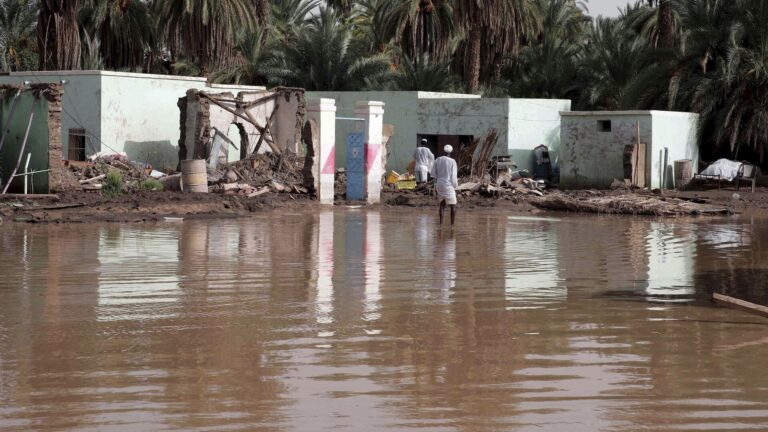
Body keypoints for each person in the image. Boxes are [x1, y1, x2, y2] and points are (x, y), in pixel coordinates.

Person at [430, 145, 458, 226]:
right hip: (448, 185)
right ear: (451, 152)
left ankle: (441, 224)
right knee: (453, 206)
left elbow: (433, 174)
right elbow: (454, 176)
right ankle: (452, 225)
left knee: (442, 205)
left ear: (443, 151)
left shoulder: (438, 159)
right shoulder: (452, 161)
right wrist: (455, 186)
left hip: (439, 184)